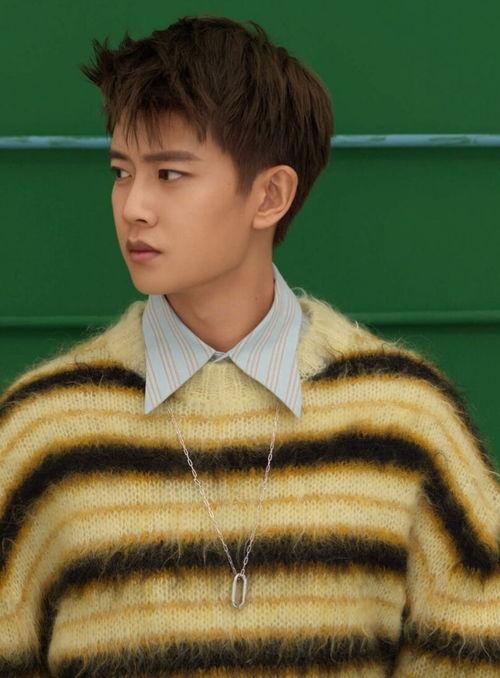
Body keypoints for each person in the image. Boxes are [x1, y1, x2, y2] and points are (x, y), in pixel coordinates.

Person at [1, 14, 498, 677]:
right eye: (121, 171)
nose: (132, 206)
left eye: (169, 174)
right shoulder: (40, 431)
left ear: (269, 195)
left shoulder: (408, 421)